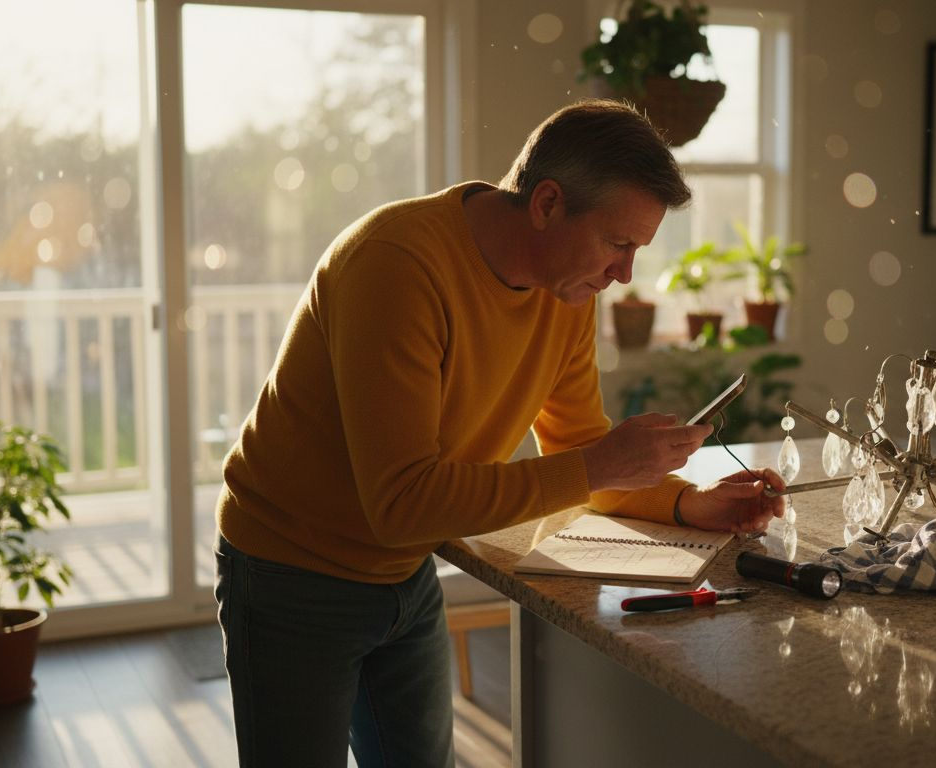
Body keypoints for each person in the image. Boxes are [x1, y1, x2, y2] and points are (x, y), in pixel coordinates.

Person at [213, 99, 785, 768]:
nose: (625, 273)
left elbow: (580, 455)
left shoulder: (566, 290)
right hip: (289, 571)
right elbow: (402, 503)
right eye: (618, 242)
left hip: (404, 570)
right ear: (546, 205)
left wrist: (691, 503)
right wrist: (599, 465)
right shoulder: (396, 264)